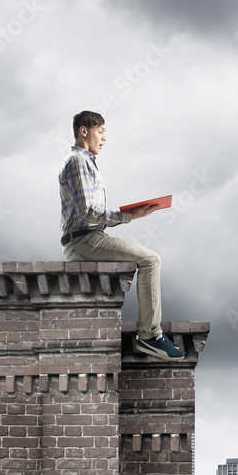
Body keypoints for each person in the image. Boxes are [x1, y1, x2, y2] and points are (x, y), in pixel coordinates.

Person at [58, 110, 184, 361]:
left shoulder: (85, 163)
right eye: (101, 131)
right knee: (151, 260)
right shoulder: (77, 162)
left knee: (148, 259)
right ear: (85, 131)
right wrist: (129, 216)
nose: (105, 138)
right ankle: (150, 336)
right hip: (85, 240)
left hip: (86, 239)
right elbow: (87, 212)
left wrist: (129, 213)